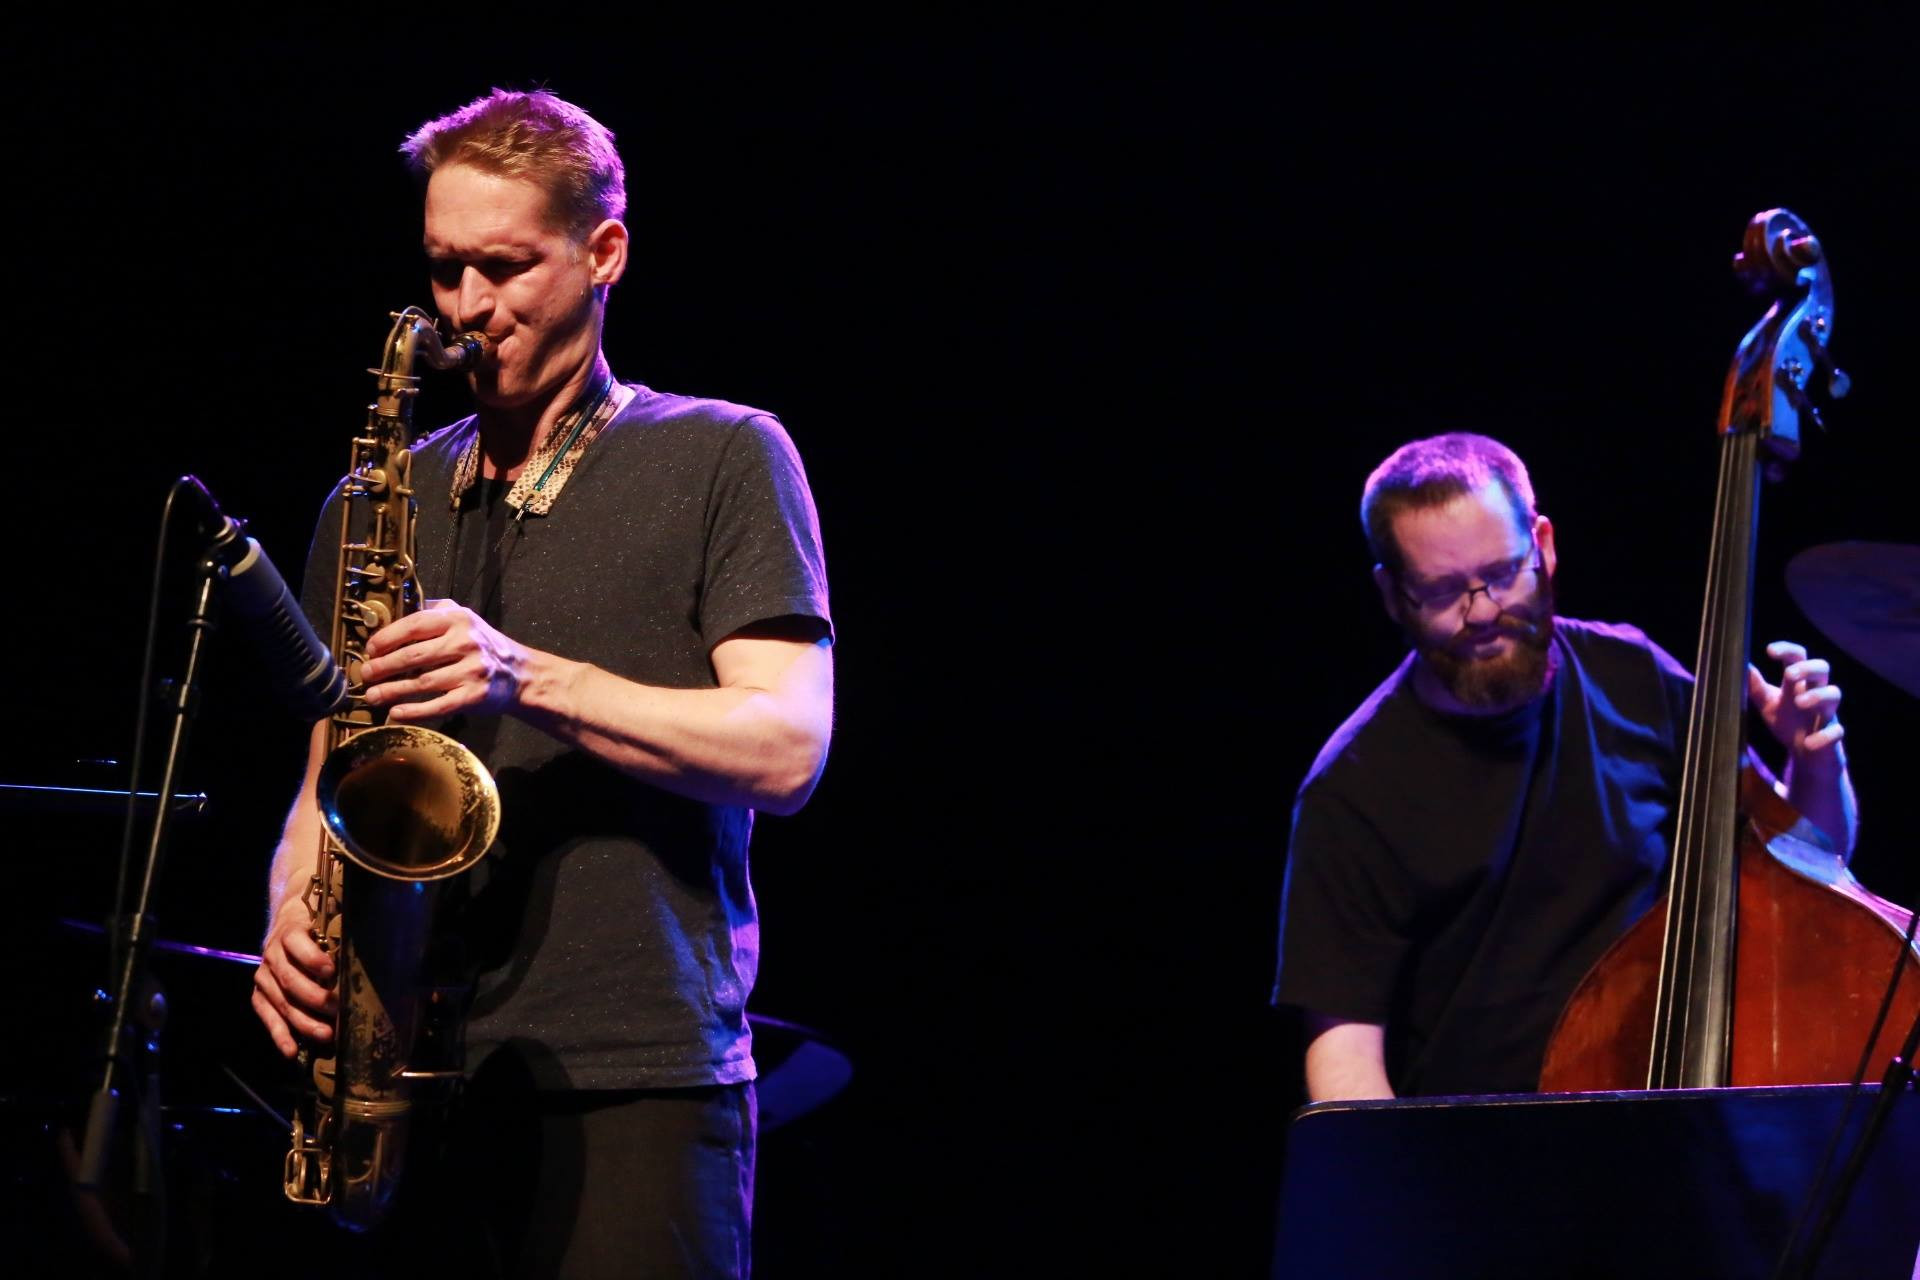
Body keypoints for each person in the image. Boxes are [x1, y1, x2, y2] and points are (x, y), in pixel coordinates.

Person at [248, 87, 833, 1277]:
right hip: (403, 1074)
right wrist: (286, 912)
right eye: (445, 268)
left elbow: (786, 748)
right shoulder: (375, 497)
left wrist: (527, 676)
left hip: (632, 1076)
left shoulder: (724, 451)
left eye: (506, 267)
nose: (467, 308)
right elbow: (331, 777)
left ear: (603, 252)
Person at [1270, 432, 1853, 1102]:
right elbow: (1344, 1049)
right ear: (1393, 595)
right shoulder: (1352, 789)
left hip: (1675, 1098)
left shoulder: (1634, 676)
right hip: (1484, 1143)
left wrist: (1813, 762)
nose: (1483, 611)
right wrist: (1393, 1166)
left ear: (1542, 545)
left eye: (1502, 573)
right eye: (1443, 591)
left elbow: (1810, 863)